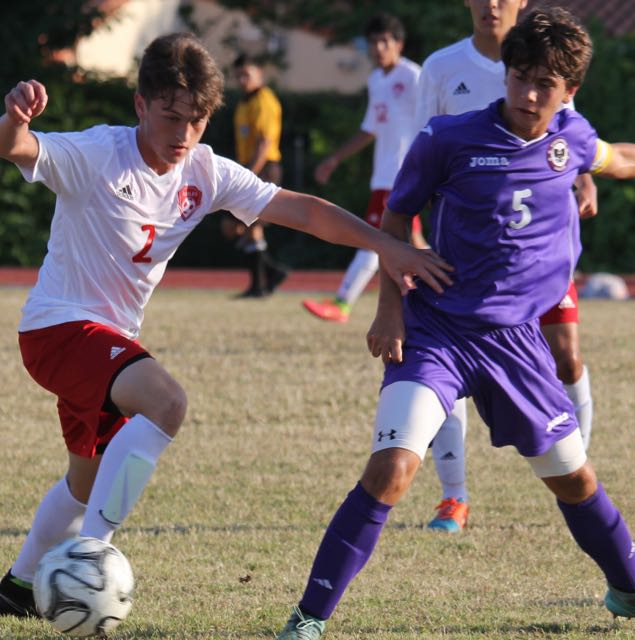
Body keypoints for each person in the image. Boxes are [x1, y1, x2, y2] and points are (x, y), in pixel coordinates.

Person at [0, 32, 449, 619]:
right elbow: (18, 148)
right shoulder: (97, 154)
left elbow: (303, 210)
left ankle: (16, 587)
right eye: (170, 116)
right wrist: (13, 117)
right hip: (58, 330)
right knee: (167, 403)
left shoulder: (205, 172)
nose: (183, 134)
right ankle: (93, 558)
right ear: (141, 105)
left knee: (86, 482)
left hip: (107, 343)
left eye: (197, 120)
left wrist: (384, 244)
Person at [276, 8, 635, 638]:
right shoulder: (447, 138)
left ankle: (628, 589)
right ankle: (309, 618)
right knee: (390, 470)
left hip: (519, 343)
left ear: (569, 93)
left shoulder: (572, 139)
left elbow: (617, 159)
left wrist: (597, 173)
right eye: (519, 77)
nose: (527, 94)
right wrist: (390, 308)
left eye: (543, 85)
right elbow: (394, 219)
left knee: (576, 481)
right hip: (437, 329)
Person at [414, 0, 597, 533]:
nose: (492, 4)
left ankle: (575, 472)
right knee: (445, 369)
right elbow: (425, 152)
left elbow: (576, 138)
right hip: (465, 255)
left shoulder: (550, 57)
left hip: (541, 252)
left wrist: (583, 178)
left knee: (566, 355)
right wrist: (417, 240)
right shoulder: (442, 68)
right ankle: (454, 496)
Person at [302, 13, 424, 324]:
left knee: (375, 241)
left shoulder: (414, 76)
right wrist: (334, 159)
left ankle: (342, 303)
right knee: (414, 246)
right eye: (373, 42)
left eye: (385, 41)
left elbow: (434, 118)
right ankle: (451, 298)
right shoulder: (376, 81)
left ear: (399, 44)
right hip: (383, 177)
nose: (379, 48)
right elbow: (369, 128)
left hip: (402, 176)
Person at [221, 53, 289, 298]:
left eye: (247, 74)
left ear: (260, 74)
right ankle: (270, 273)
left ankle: (260, 283)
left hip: (263, 166)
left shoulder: (264, 101)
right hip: (248, 165)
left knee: (250, 225)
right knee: (238, 227)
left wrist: (249, 174)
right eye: (238, 75)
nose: (242, 80)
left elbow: (264, 142)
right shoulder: (244, 103)